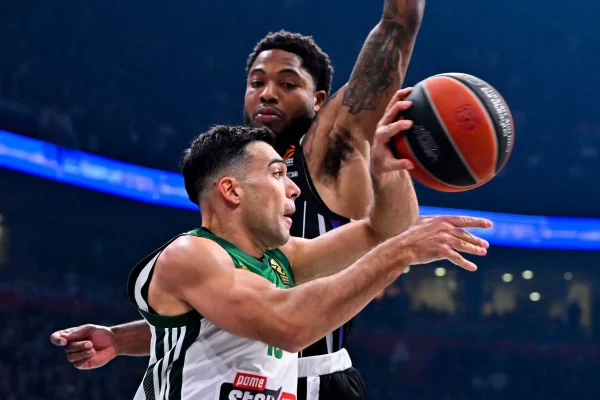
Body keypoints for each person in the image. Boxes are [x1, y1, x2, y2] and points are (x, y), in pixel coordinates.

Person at [51, 1, 428, 398]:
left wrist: (401, 16)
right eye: (256, 82)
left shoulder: (328, 149)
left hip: (310, 374)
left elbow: (394, 33)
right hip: (265, 357)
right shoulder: (234, 186)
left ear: (319, 100)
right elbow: (219, 315)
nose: (268, 94)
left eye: (287, 84)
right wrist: (120, 339)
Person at [106, 123, 491, 399]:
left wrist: (389, 169)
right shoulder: (192, 254)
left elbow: (383, 231)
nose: (293, 188)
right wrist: (401, 251)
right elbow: (290, 325)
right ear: (231, 191)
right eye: (277, 173)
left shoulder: (279, 256)